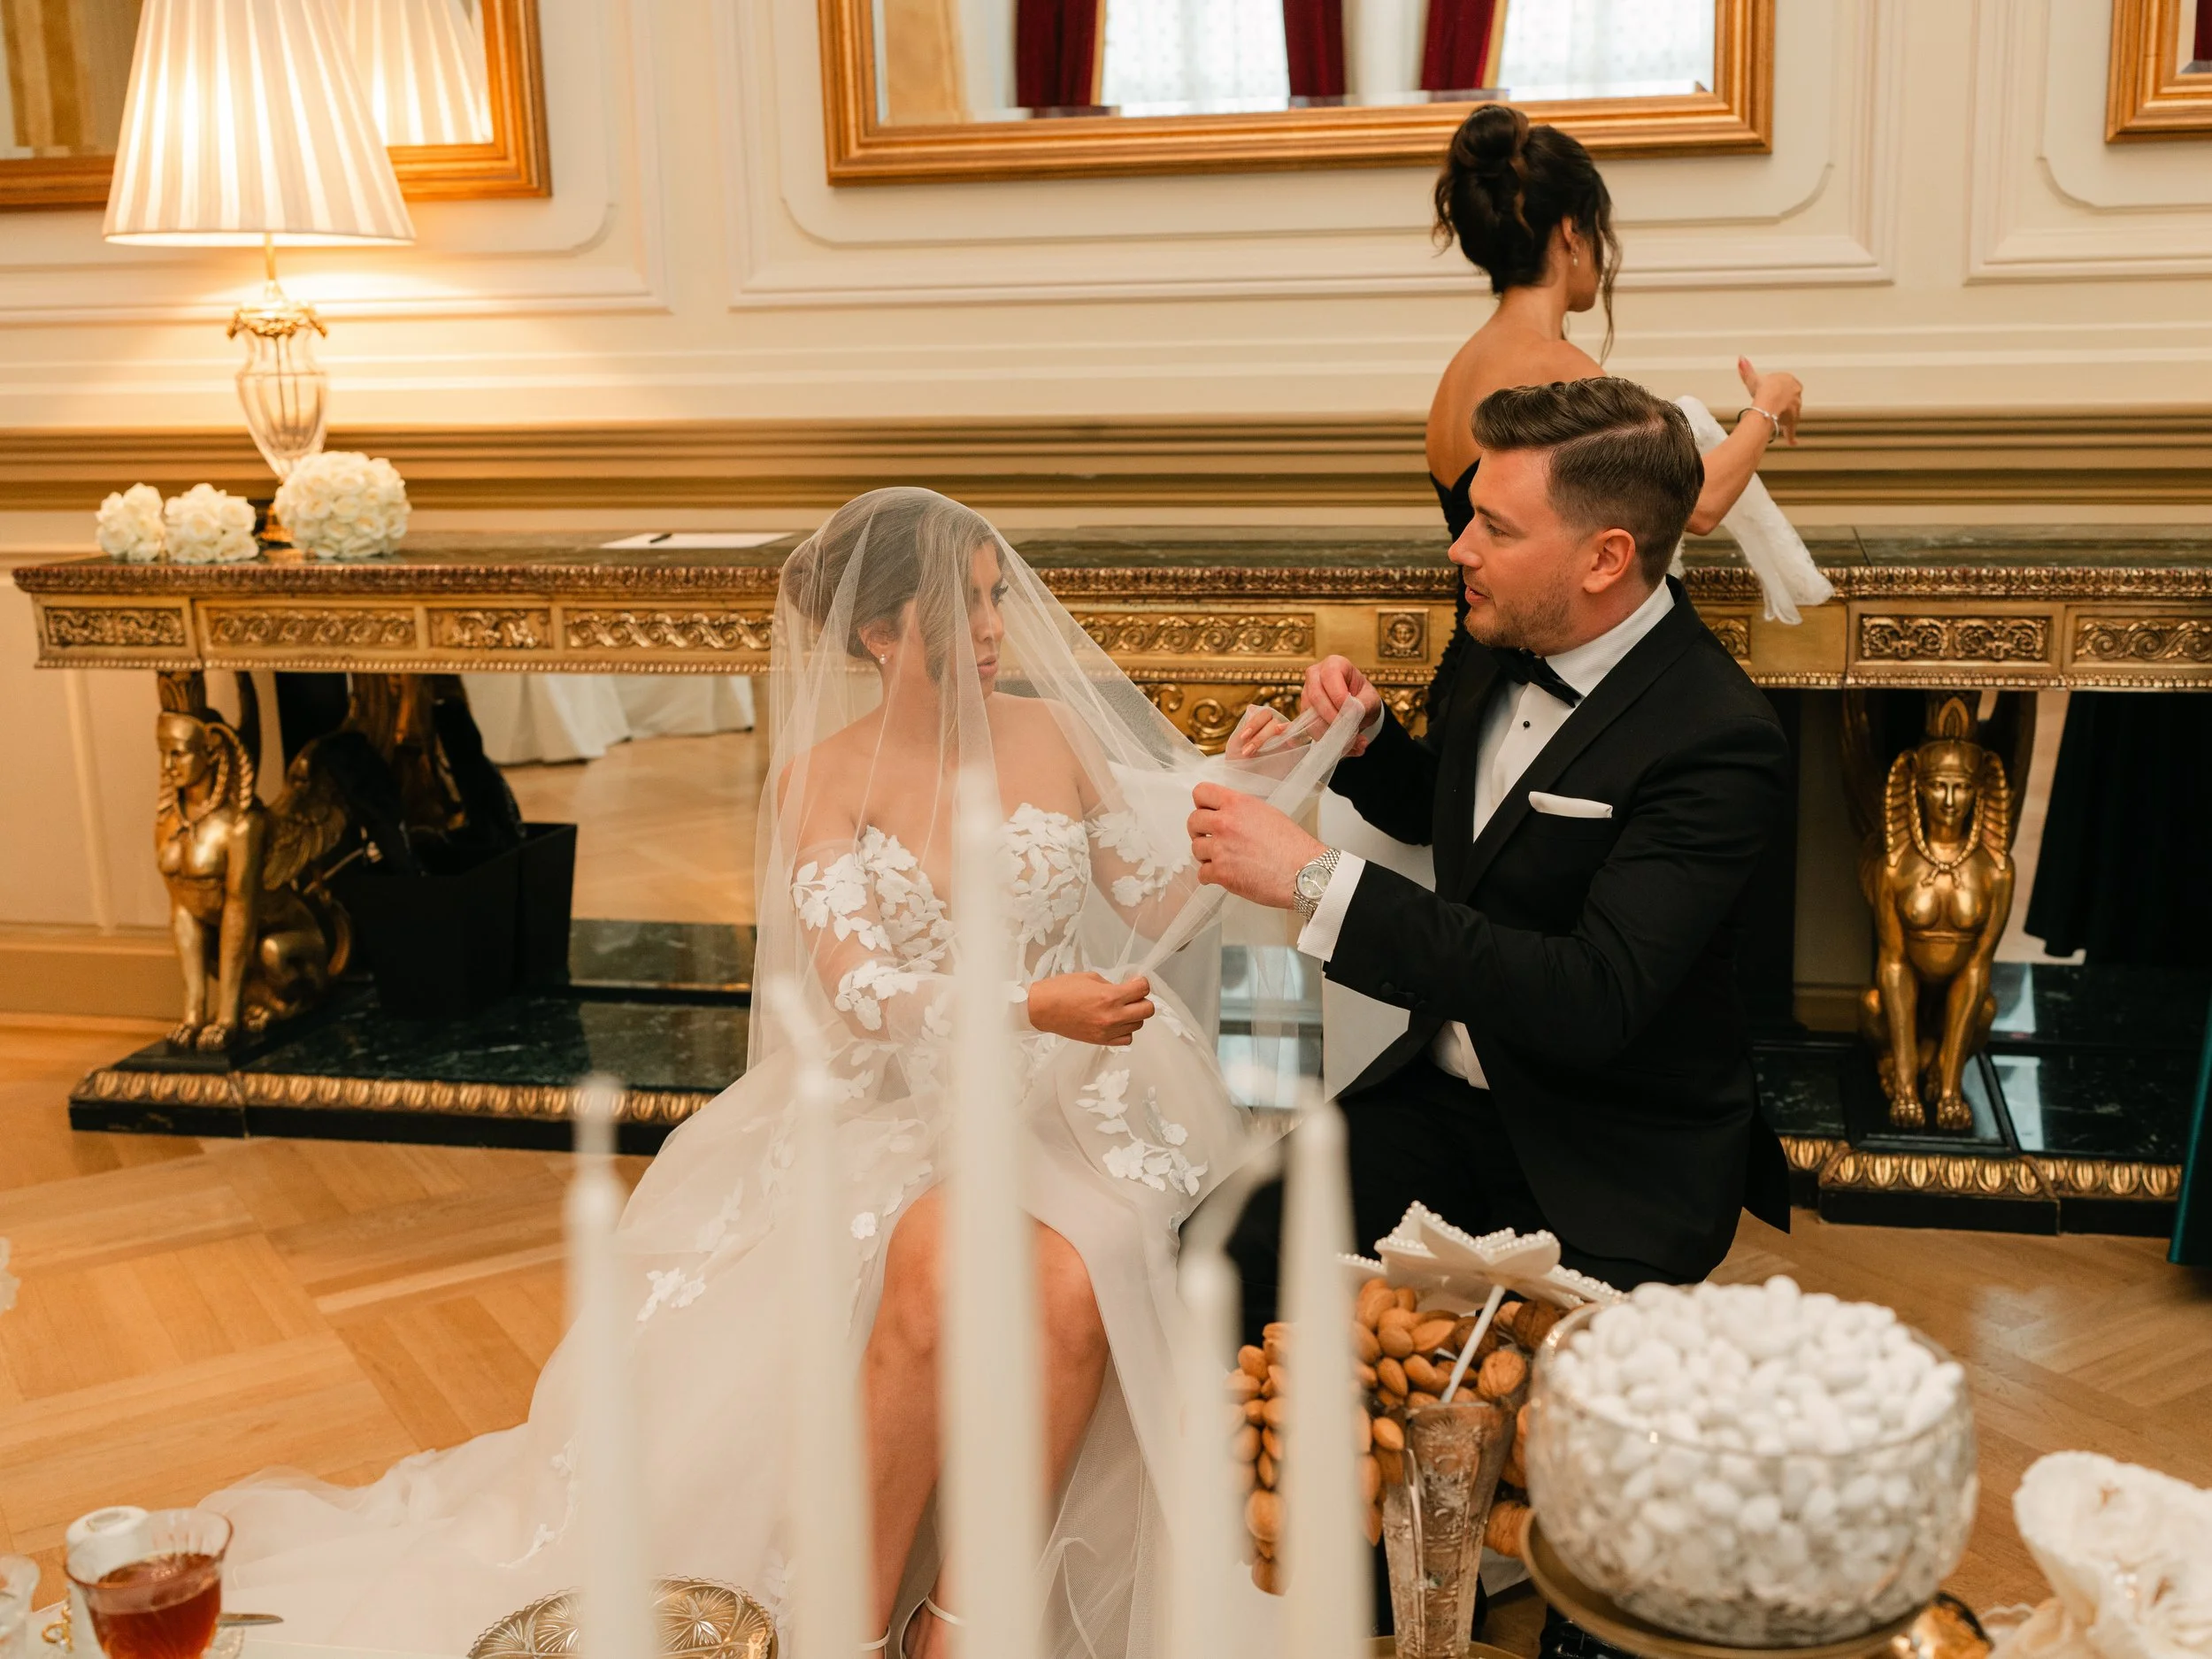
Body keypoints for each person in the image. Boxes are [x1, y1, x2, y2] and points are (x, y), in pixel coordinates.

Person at [204, 488, 1359, 1659]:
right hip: (914, 1094)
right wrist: (1025, 1002)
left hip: (1094, 1088)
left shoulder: (1049, 733)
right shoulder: (824, 776)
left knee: (1076, 1279)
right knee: (933, 1278)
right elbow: (861, 990)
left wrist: (1255, 786)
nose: (1000, 626)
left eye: (999, 595)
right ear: (877, 635)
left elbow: (1156, 898)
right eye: (967, 605)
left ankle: (961, 1622)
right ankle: (851, 1624)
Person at [1191, 377, 1795, 1302]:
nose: (1460, 548)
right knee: (1217, 1260)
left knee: (1510, 1415)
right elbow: (1472, 819)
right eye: (1471, 515)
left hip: (1611, 1161)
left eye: (1497, 531)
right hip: (1437, 1103)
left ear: (1606, 558)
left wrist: (1316, 879)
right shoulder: (1496, 635)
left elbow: (1594, 995)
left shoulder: (1718, 738)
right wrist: (1368, 746)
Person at [1425, 104, 1806, 712]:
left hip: (1473, 679)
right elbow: (1695, 503)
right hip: (1538, 690)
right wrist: (1766, 405)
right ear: (1573, 231)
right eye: (1598, 231)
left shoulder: (1463, 366)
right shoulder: (1553, 367)